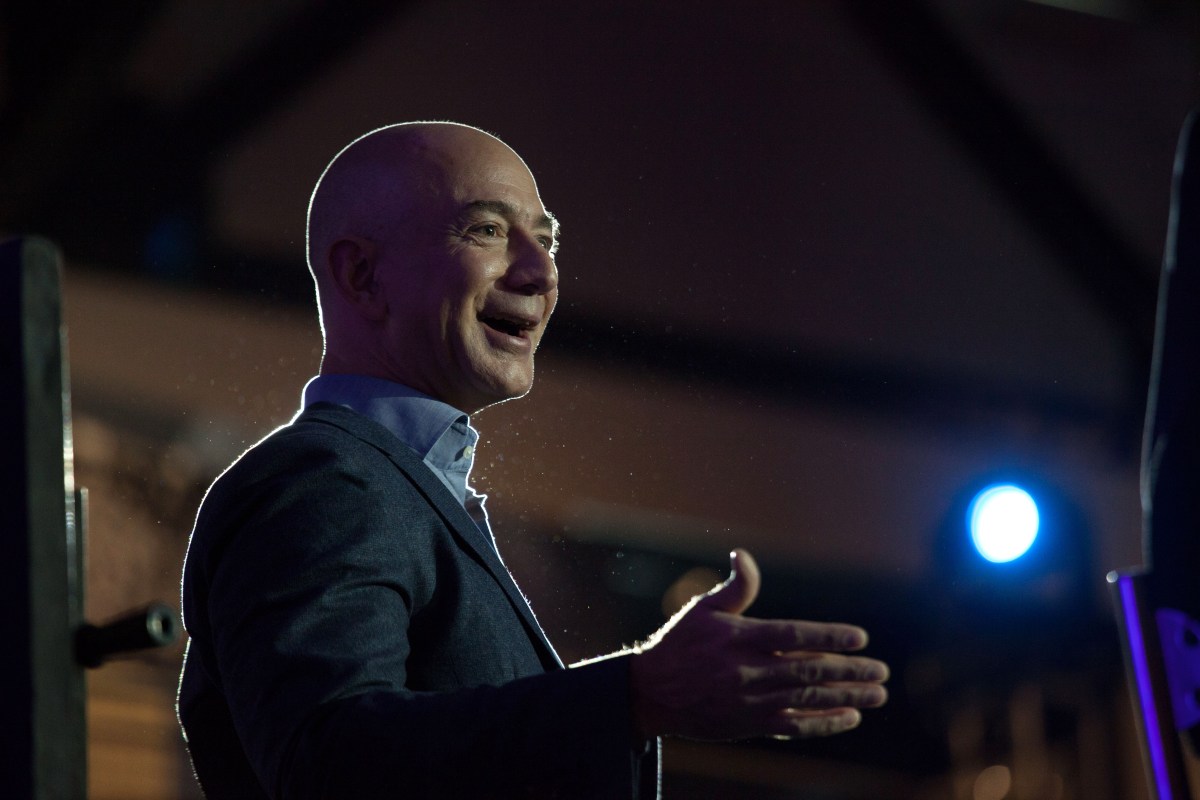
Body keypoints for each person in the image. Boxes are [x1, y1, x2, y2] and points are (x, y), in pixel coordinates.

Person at [177, 122, 889, 799]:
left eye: (547, 241)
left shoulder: (399, 487)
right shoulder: (323, 481)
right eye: (487, 230)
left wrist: (634, 693)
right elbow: (331, 764)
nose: (541, 271)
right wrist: (636, 695)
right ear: (362, 275)